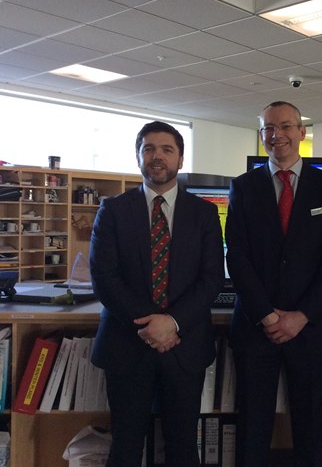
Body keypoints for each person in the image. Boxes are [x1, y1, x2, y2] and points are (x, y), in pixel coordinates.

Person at [90, 121, 225, 467]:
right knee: (125, 447)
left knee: (182, 448)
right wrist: (152, 325)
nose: (157, 156)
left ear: (180, 159)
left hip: (185, 345)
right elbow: (104, 278)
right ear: (138, 158)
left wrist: (172, 323)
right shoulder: (113, 211)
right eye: (148, 148)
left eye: (166, 149)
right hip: (127, 344)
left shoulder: (205, 214)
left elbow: (211, 279)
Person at [225, 101, 322, 467]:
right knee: (252, 427)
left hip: (309, 329)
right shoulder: (243, 187)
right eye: (268, 129)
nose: (277, 135)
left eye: (286, 127)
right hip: (255, 326)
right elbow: (238, 257)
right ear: (262, 135)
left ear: (301, 132)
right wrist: (266, 315)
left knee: (309, 428)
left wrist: (300, 315)